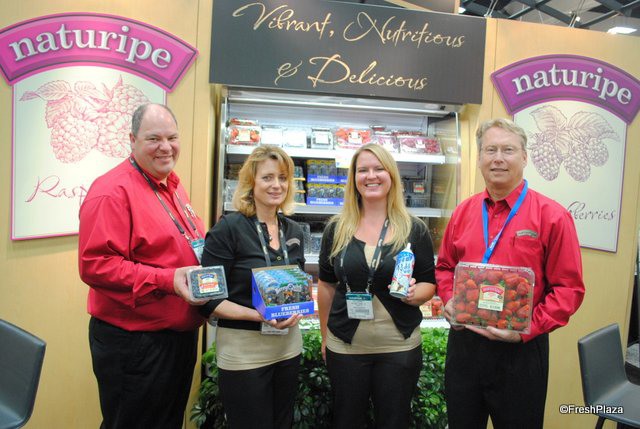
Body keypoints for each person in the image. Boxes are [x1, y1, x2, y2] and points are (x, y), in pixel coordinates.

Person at [436, 118, 585, 429]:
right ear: (479, 157)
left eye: (508, 150)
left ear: (525, 157)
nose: (498, 158)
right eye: (490, 150)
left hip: (520, 352)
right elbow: (446, 267)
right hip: (465, 346)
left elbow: (568, 290)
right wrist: (450, 299)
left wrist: (525, 329)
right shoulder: (463, 212)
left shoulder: (553, 217)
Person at [78, 103, 208, 429]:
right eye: (154, 139)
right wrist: (167, 280)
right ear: (132, 140)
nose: (166, 147)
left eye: (172, 138)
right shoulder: (111, 191)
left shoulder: (170, 183)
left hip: (175, 338)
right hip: (137, 344)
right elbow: (95, 266)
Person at [317, 143, 436, 429]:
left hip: (399, 347)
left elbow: (429, 284)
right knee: (346, 421)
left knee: (395, 421)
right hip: (345, 346)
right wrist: (324, 336)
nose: (371, 176)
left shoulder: (414, 228)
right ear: (354, 178)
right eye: (363, 170)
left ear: (391, 175)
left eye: (379, 168)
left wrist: (414, 294)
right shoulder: (336, 228)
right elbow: (326, 285)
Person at [198, 145, 304, 429]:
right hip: (243, 353)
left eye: (283, 178)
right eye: (267, 177)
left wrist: (297, 308)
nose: (276, 185)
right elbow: (208, 299)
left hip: (288, 348)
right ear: (250, 183)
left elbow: (297, 284)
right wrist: (259, 316)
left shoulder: (293, 230)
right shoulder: (228, 229)